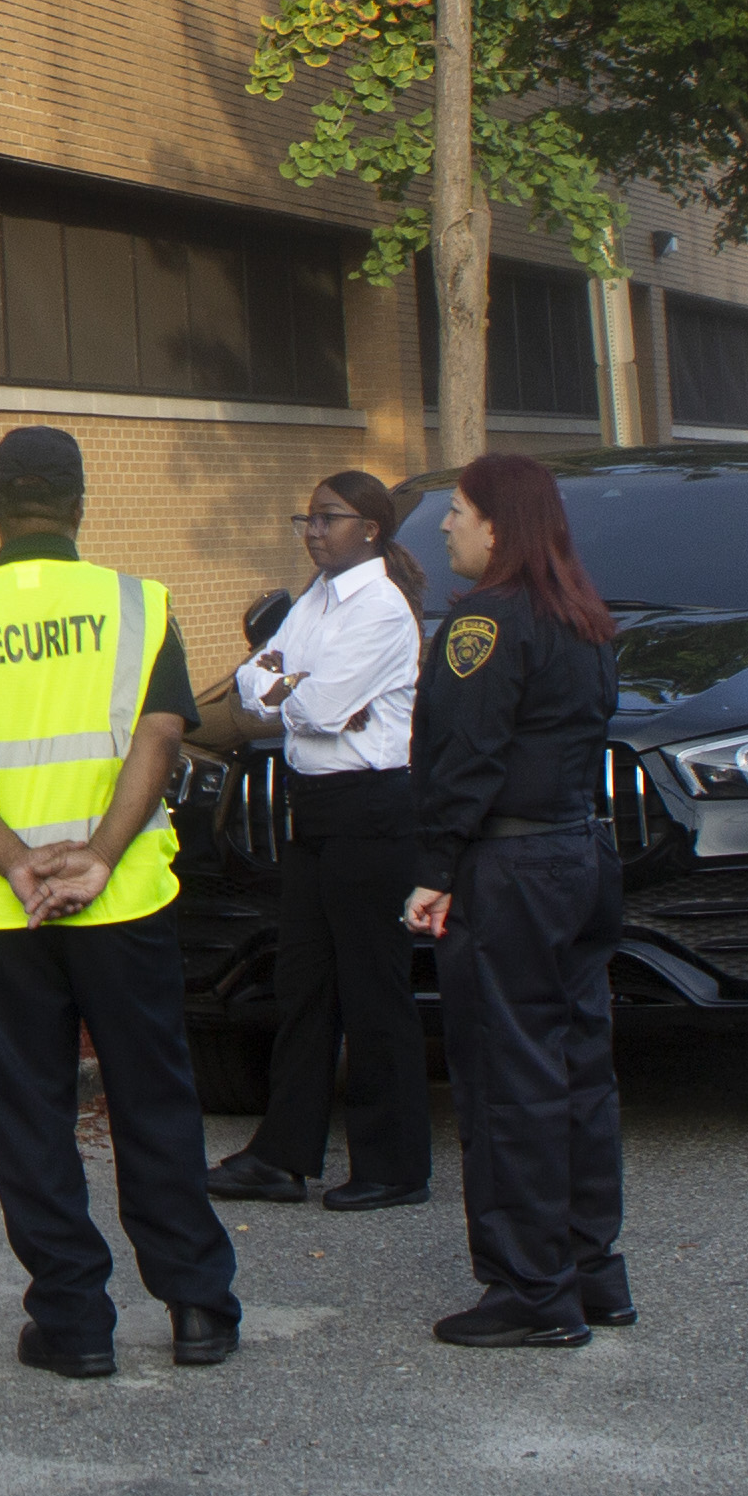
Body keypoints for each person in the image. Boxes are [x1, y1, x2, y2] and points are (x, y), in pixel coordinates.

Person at [0, 423, 239, 1376]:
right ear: (81, 505)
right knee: (155, 1099)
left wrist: (17, 862)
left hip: (7, 910)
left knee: (32, 1113)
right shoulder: (138, 606)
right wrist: (95, 855)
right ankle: (198, 1308)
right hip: (122, 896)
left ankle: (75, 1323)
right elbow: (162, 733)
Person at [404, 449, 630, 1349]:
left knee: (508, 1079)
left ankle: (532, 1291)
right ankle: (589, 1270)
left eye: (459, 510)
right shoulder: (582, 618)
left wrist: (433, 868)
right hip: (577, 855)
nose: (449, 524)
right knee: (577, 1071)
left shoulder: (485, 625)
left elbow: (464, 758)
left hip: (511, 870)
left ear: (500, 525)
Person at [208, 471, 430, 1212]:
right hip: (315, 807)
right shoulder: (315, 599)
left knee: (373, 990)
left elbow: (324, 706)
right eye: (306, 517)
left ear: (370, 527)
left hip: (370, 810)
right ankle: (282, 1156)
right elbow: (250, 684)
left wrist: (288, 688)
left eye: (327, 518)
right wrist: (287, 684)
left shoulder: (382, 609)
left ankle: (393, 1165)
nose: (312, 529)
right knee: (304, 986)